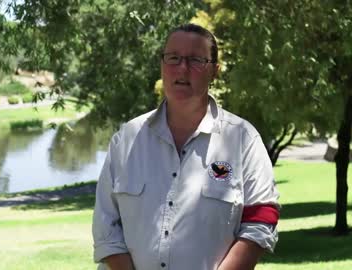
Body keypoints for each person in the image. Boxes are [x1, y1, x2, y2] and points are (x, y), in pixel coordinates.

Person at [92, 23, 280, 270]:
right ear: (162, 66)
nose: (182, 68)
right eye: (173, 58)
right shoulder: (127, 139)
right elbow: (106, 227)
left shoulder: (243, 139)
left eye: (195, 60)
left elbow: (261, 219)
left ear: (215, 71)